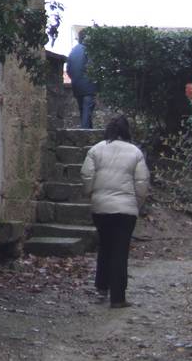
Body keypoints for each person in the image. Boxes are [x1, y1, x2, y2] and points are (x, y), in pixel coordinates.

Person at [80, 115, 150, 308]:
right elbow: (142, 183)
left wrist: (91, 194)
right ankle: (118, 298)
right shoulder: (135, 152)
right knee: (120, 250)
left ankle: (102, 287)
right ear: (127, 131)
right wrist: (136, 203)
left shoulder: (96, 150)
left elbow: (87, 175)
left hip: (101, 208)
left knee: (105, 246)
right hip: (126, 210)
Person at [66, 32, 98, 128]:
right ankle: (85, 133)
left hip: (76, 85)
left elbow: (68, 69)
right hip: (88, 85)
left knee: (82, 111)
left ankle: (88, 131)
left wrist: (75, 79)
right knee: (87, 110)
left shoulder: (73, 51)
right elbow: (93, 67)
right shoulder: (89, 50)